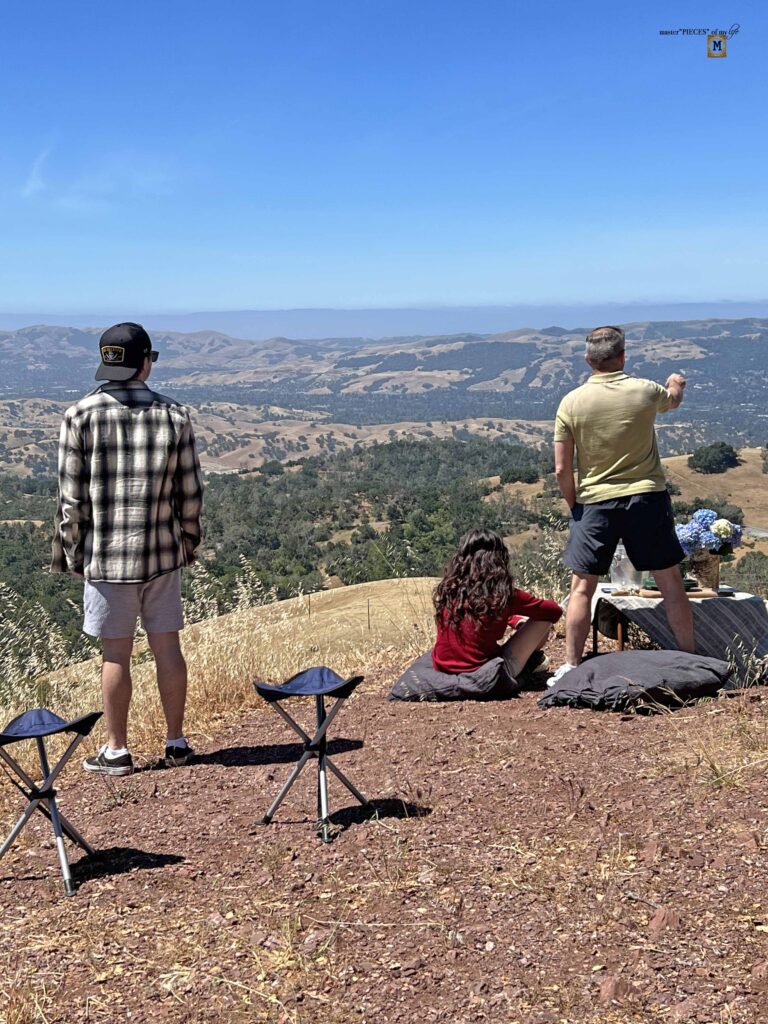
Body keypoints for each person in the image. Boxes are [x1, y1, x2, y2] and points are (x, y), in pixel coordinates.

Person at [52, 322, 204, 775]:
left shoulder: (79, 416)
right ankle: (176, 743)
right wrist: (188, 543)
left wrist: (73, 554)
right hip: (162, 555)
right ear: (145, 363)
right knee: (167, 647)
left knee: (115, 654)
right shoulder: (175, 415)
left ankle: (116, 751)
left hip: (105, 558)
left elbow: (71, 500)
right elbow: (190, 494)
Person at [551, 325, 693, 684]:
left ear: (588, 360)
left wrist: (575, 505)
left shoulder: (571, 402)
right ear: (623, 357)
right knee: (670, 583)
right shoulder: (645, 390)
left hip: (594, 502)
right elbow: (673, 400)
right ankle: (690, 660)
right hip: (646, 497)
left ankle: (571, 665)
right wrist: (676, 382)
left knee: (582, 587)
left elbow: (561, 468)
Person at [432, 528, 562, 690]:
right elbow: (554, 611)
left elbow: (478, 613)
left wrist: (513, 618)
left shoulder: (450, 588)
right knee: (544, 620)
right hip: (483, 673)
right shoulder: (503, 594)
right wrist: (521, 619)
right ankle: (532, 659)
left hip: (442, 667)